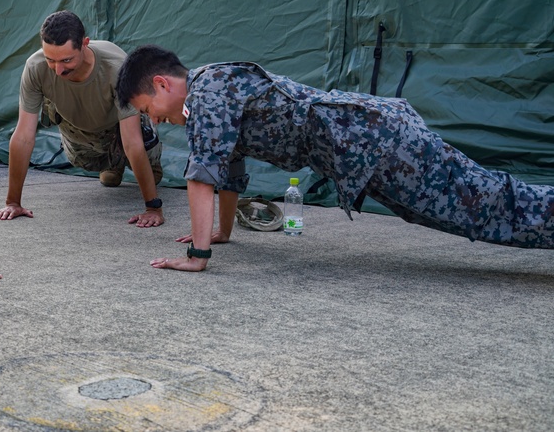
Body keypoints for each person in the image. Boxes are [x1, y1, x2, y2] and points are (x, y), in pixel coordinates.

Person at [115, 44, 554, 271]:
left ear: (162, 84)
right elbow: (228, 166)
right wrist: (220, 232)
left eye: (147, 109)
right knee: (473, 210)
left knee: (484, 205)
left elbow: (202, 175)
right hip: (370, 149)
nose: (154, 120)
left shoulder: (208, 91)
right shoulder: (212, 94)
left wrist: (199, 255)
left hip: (378, 143)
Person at [0, 10, 166, 227]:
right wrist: (13, 202)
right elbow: (24, 136)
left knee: (143, 158)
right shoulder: (35, 67)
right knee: (82, 161)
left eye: (66, 60)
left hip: (123, 124)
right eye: (50, 60)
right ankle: (113, 164)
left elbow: (132, 141)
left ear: (85, 44)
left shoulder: (117, 67)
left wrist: (153, 207)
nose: (58, 70)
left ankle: (141, 164)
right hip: (82, 129)